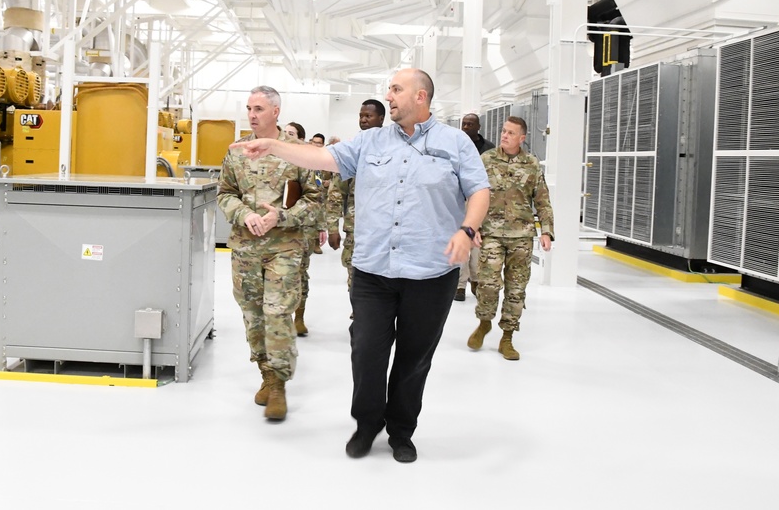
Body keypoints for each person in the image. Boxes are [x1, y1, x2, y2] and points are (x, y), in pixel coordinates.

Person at [231, 69, 490, 463]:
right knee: (366, 352)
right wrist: (273, 146)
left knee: (414, 357)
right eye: (389, 88)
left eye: (397, 89)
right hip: (373, 271)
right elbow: (322, 158)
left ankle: (402, 431)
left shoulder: (454, 142)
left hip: (430, 273)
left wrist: (467, 230)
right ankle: (367, 425)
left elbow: (479, 191)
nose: (389, 95)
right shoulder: (370, 141)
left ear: (421, 97)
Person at [216, 87, 320, 421]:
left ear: (276, 111)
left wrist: (281, 216)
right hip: (245, 247)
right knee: (253, 317)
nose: (252, 114)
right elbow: (225, 193)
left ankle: (278, 384)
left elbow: (314, 199)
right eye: (249, 108)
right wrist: (244, 214)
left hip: (284, 248)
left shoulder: (299, 152)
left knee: (277, 314)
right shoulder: (236, 152)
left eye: (259, 108)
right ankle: (265, 372)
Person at [466, 115, 554, 361]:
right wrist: (472, 228)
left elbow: (542, 200)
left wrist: (546, 231)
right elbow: (472, 194)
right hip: (491, 233)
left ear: (522, 138)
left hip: (522, 237)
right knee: (488, 284)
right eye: (504, 131)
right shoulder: (486, 160)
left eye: (511, 133)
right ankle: (484, 322)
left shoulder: (532, 164)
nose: (505, 135)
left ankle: (507, 337)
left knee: (516, 290)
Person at [326, 99, 386, 290]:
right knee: (355, 272)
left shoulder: (393, 148)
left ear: (381, 118)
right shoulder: (352, 150)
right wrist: (333, 228)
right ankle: (359, 312)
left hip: (385, 226)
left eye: (368, 116)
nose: (363, 120)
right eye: (361, 116)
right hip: (356, 227)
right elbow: (336, 193)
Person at [284, 121, 326, 334]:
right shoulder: (275, 157)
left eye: (292, 133)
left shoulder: (310, 163)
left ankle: (298, 317)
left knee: (300, 273)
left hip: (303, 227)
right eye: (285, 132)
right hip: (278, 227)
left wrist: (321, 226)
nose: (287, 136)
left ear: (301, 138)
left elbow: (317, 196)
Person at [454, 113, 497, 302]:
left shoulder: (489, 149)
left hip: (480, 198)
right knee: (463, 236)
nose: (465, 127)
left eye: (470, 124)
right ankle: (460, 285)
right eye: (463, 123)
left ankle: (477, 280)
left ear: (478, 127)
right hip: (460, 198)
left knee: (478, 242)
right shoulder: (456, 145)